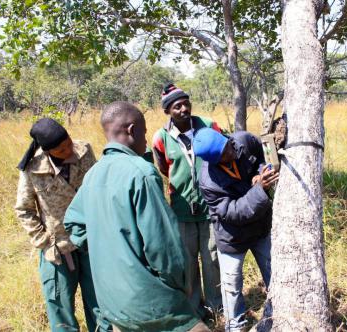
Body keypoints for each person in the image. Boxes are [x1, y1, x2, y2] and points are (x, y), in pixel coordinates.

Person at [64, 101, 209, 332]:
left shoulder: (92, 175)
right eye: (143, 130)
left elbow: (73, 225)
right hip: (151, 301)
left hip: (111, 301)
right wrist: (183, 285)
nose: (146, 138)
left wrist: (111, 252)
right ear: (131, 130)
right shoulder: (141, 172)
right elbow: (164, 247)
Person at [15, 118, 109, 332]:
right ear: (47, 151)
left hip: (90, 240)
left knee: (100, 300)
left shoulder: (84, 151)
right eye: (61, 149)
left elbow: (97, 189)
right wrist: (44, 242)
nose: (68, 150)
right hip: (57, 247)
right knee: (60, 305)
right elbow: (24, 210)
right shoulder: (33, 169)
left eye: (68, 143)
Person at [192, 128, 279, 332]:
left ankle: (277, 315)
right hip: (232, 237)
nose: (231, 152)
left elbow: (262, 156)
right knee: (231, 286)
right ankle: (235, 326)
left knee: (275, 273)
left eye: (227, 146)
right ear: (213, 161)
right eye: (223, 155)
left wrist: (260, 174)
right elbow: (232, 212)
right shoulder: (208, 182)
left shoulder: (243, 141)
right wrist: (260, 190)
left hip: (260, 228)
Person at [152, 83, 222, 317]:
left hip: (210, 206)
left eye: (186, 103)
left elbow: (223, 155)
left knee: (212, 259)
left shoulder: (209, 126)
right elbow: (164, 168)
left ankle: (216, 307)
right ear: (167, 112)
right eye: (176, 106)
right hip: (181, 210)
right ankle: (194, 310)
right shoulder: (161, 137)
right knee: (188, 263)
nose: (183, 109)